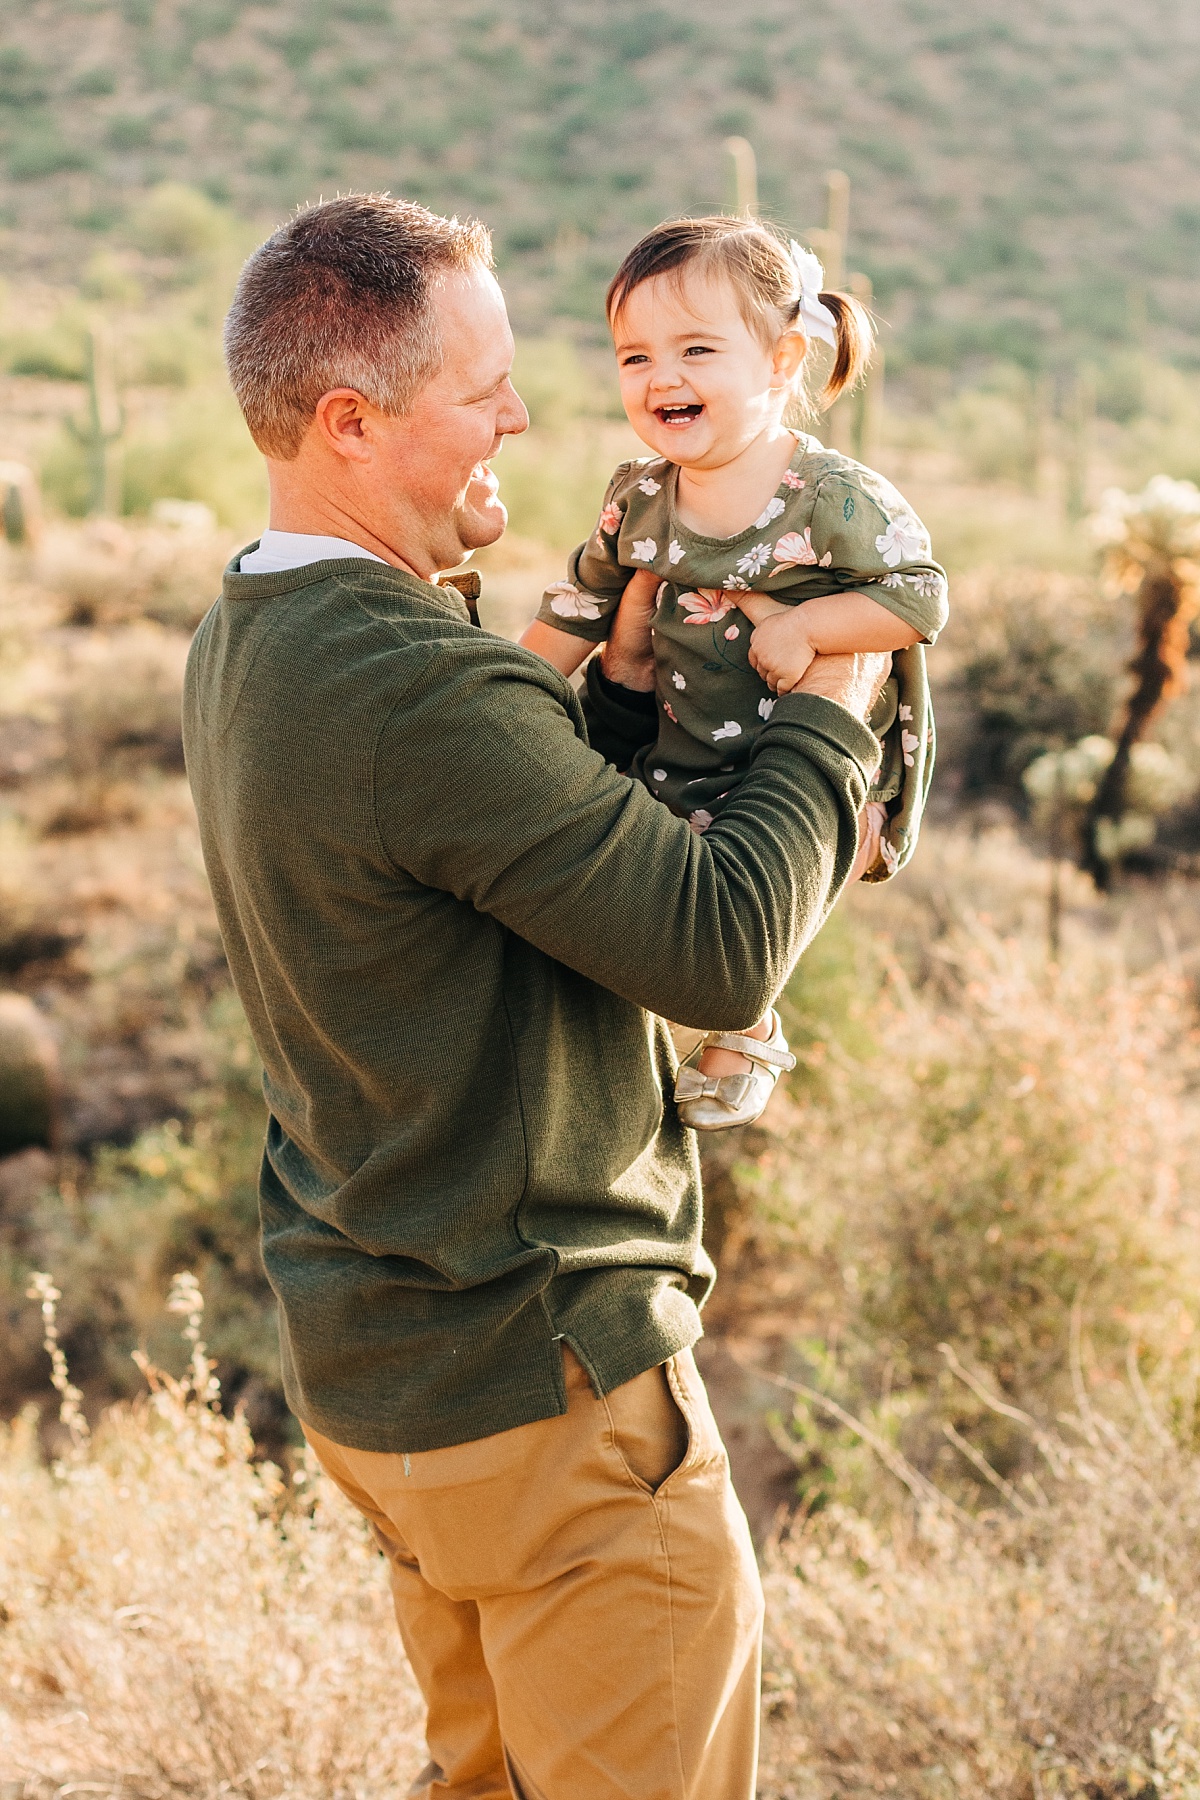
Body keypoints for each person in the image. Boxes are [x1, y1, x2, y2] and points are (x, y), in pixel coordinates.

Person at [182, 191, 890, 1800]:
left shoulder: (254, 630)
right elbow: (717, 944)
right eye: (479, 388)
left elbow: (473, 856)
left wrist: (609, 712)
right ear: (351, 422)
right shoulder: (419, 684)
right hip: (550, 1384)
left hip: (392, 1382)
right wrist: (836, 704)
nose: (522, 412)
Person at [521, 216, 948, 1131]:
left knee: (760, 882)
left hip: (814, 754)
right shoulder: (637, 497)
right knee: (658, 892)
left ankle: (746, 1026)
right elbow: (580, 606)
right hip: (686, 744)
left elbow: (919, 599)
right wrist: (503, 697)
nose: (661, 377)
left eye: (696, 349)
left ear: (783, 359)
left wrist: (818, 626)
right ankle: (702, 1021)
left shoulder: (834, 497)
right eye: (634, 357)